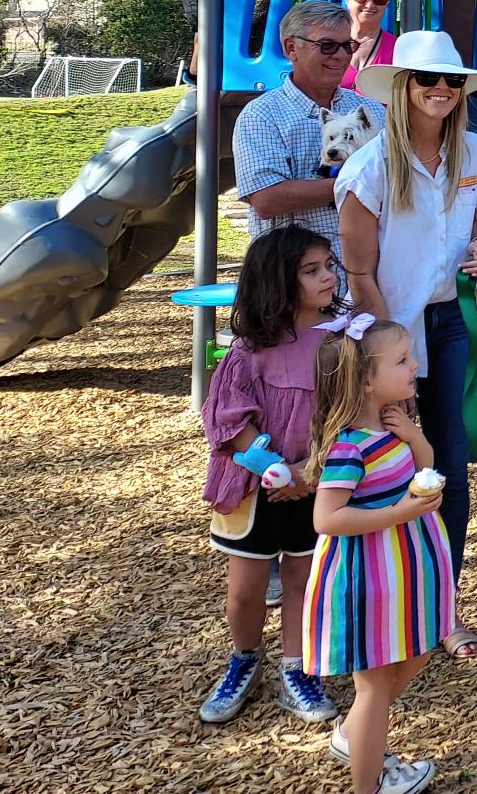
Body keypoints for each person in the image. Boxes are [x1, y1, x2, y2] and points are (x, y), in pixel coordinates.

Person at [336, 30, 477, 659]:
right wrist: (387, 349)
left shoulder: (474, 151)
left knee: (447, 463)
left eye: (453, 81)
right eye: (428, 79)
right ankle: (378, 606)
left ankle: (443, 607)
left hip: (448, 321)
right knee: (386, 464)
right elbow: (359, 272)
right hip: (386, 332)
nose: (442, 90)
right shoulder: (368, 167)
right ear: (402, 87)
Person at [302, 315, 454, 794]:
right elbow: (327, 519)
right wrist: (401, 511)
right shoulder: (349, 446)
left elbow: (424, 465)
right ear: (367, 380)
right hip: (368, 580)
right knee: (373, 689)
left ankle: (353, 734)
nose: (415, 365)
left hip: (406, 571)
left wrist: (414, 437)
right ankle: (367, 783)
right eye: (403, 360)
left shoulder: (393, 424)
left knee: (420, 649)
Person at [196, 227, 340, 728]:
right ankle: (244, 659)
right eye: (312, 270)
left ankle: (296, 669)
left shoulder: (343, 341)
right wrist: (274, 468)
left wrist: (309, 472)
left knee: (304, 579)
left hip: (317, 483)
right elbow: (229, 421)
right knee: (246, 588)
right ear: (279, 281)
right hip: (253, 489)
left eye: (329, 265)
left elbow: (349, 415)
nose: (328, 277)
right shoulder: (249, 350)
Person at [234, 1, 386, 266]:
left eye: (347, 45)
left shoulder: (372, 110)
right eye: (327, 45)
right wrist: (360, 182)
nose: (340, 56)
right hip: (293, 278)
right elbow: (267, 199)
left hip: (366, 276)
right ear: (291, 48)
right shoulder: (261, 115)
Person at [341, 0, 398, 88]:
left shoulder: (397, 49)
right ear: (347, 0)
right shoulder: (329, 44)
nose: (370, 5)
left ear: (387, 4)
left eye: (379, 0)